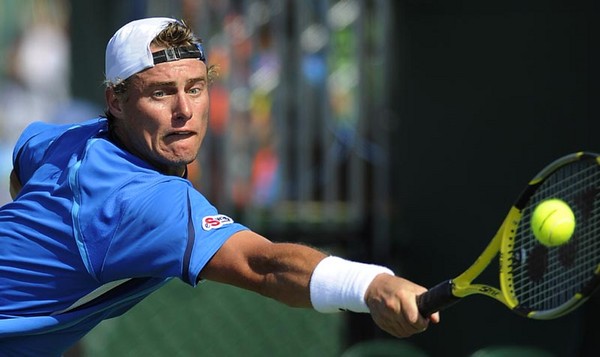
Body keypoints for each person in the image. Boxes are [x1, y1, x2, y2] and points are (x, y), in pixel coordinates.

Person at [0, 17, 439, 355]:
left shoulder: (61, 140)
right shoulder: (145, 203)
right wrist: (372, 285)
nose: (184, 110)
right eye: (160, 93)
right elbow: (265, 267)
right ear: (116, 99)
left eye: (195, 88)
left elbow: (24, 161)